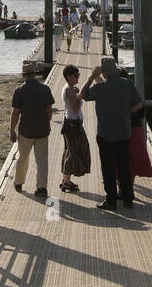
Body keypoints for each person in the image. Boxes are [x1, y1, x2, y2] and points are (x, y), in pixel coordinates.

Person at [81, 57, 143, 210]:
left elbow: (83, 94)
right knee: (124, 166)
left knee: (108, 168)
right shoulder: (127, 84)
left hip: (105, 133)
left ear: (103, 72)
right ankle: (128, 199)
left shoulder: (101, 87)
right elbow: (138, 104)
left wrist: (91, 77)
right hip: (124, 131)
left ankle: (111, 201)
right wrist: (126, 113)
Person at [10, 61, 54, 198]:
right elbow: (49, 109)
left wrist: (12, 130)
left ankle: (19, 182)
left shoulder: (19, 91)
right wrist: (47, 122)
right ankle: (42, 187)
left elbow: (16, 113)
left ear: (23, 75)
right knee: (42, 160)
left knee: (23, 158)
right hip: (42, 129)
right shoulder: (45, 89)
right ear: (34, 74)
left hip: (26, 130)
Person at [59, 65, 91, 192]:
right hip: (73, 124)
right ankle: (66, 181)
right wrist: (80, 97)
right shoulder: (70, 90)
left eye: (78, 75)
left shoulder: (69, 88)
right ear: (69, 76)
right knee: (75, 151)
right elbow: (76, 108)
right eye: (76, 75)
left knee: (71, 150)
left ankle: (66, 179)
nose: (78, 77)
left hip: (71, 123)